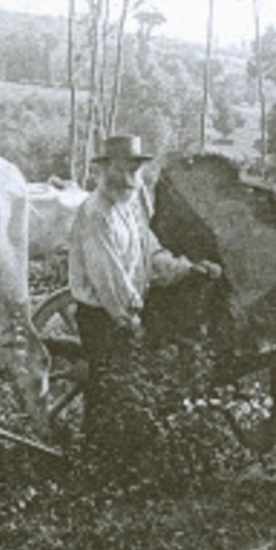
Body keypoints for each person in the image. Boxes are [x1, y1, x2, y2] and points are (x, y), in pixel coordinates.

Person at [67, 134, 221, 451]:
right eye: (121, 170)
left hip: (126, 313)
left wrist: (186, 268)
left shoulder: (131, 207)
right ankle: (96, 455)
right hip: (102, 315)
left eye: (134, 170)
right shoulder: (96, 213)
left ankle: (125, 454)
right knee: (105, 386)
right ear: (104, 170)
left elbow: (151, 253)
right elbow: (108, 277)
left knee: (126, 385)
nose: (128, 178)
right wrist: (130, 318)